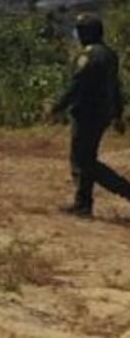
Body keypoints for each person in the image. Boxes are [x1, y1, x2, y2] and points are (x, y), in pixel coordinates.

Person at [49, 13, 130, 218]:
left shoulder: (87, 56)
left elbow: (75, 86)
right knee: (85, 159)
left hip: (87, 114)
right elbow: (116, 87)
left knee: (83, 161)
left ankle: (105, 197)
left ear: (86, 33)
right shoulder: (110, 54)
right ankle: (83, 204)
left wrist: (56, 106)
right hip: (102, 114)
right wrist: (118, 115)